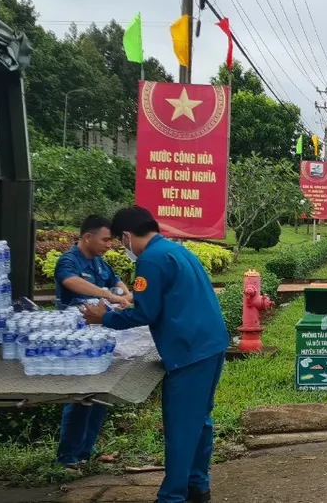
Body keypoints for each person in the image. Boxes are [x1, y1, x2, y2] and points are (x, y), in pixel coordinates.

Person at [79, 206, 229, 503]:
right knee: (199, 420)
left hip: (190, 351)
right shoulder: (176, 250)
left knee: (181, 427)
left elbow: (146, 313)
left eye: (120, 243)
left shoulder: (150, 259)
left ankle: (172, 496)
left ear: (126, 236)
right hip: (210, 343)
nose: (123, 249)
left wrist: (103, 318)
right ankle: (198, 485)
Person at [54, 215, 132, 471]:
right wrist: (108, 294)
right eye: (106, 239)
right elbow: (70, 282)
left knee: (99, 394)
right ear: (87, 237)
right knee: (80, 396)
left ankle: (86, 449)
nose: (110, 244)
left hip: (100, 337)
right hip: (78, 339)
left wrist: (126, 294)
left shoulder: (99, 263)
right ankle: (68, 458)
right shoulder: (69, 260)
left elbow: (117, 282)